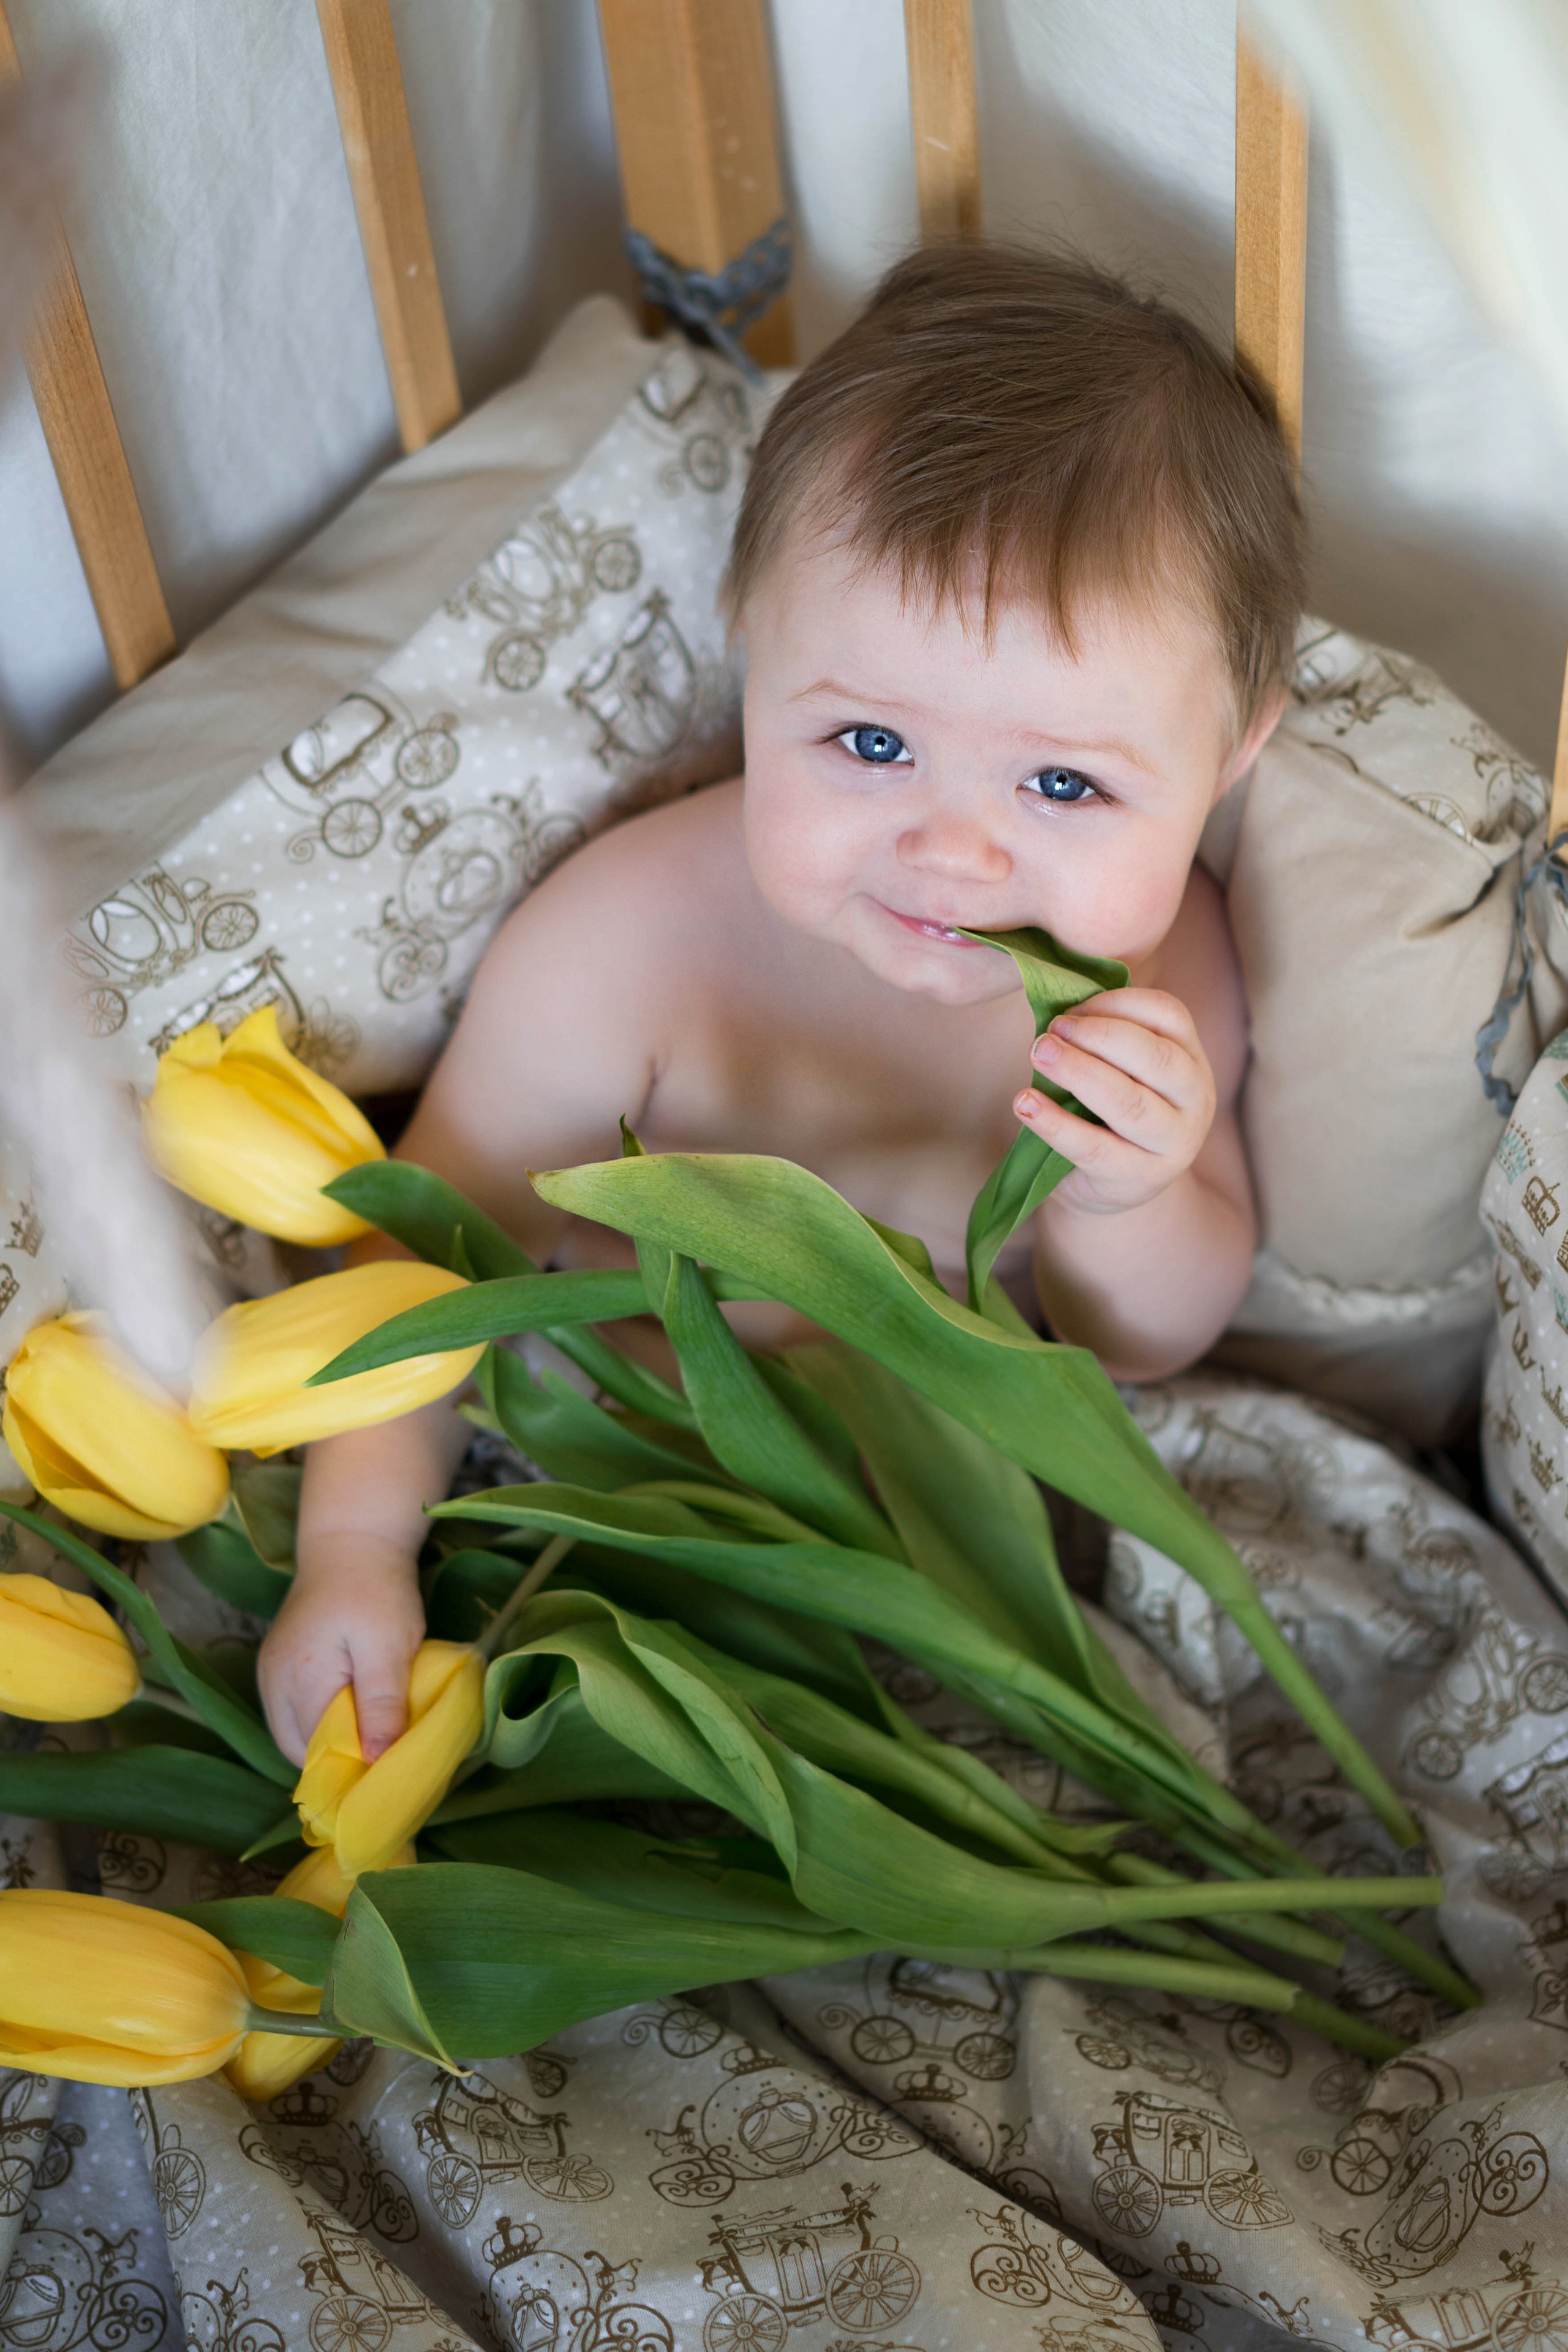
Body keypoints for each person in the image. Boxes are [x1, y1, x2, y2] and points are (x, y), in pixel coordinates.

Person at [257, 243, 1303, 1767]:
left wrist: (1133, 1194)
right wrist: (350, 1547)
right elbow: (428, 1254)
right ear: (751, 644)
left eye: (1064, 782)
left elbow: (1142, 1343)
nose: (951, 851)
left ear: (1227, 755)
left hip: (952, 1523)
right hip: (624, 1476)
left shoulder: (1165, 969)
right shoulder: (632, 942)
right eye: (870, 745)